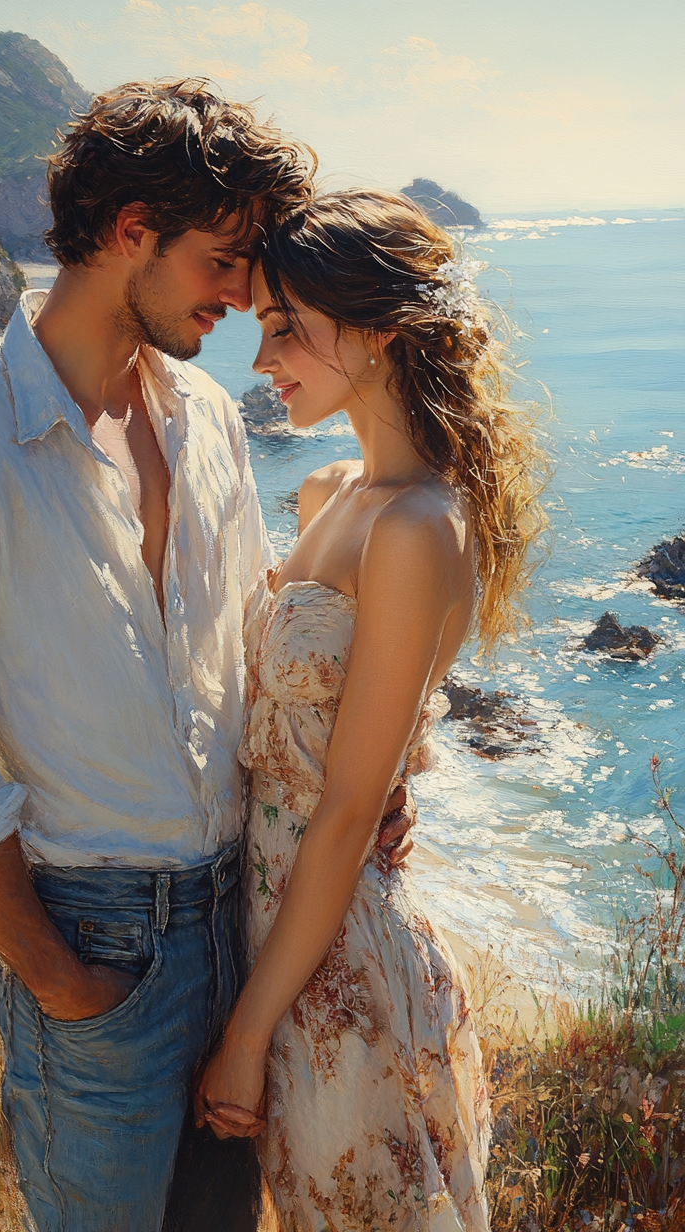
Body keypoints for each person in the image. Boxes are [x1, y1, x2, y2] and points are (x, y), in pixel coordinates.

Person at [0, 85, 414, 1232]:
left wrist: (356, 784)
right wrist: (63, 981)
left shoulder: (207, 417)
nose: (244, 293)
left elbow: (254, 646)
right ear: (128, 232)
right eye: (223, 261)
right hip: (94, 945)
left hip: (244, 923)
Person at [195, 190, 548, 1231]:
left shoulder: (417, 528)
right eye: (262, 325)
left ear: (382, 331)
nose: (262, 359)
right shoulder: (330, 491)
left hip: (336, 971)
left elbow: (348, 810)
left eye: (285, 327)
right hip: (272, 946)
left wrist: (247, 1032)